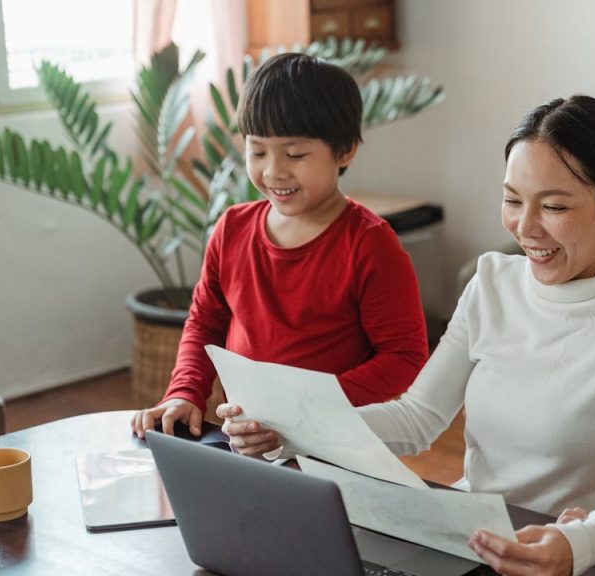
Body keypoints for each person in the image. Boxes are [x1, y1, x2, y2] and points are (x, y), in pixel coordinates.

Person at [217, 94, 595, 576]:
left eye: (554, 206)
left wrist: (581, 543)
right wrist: (290, 430)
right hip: (470, 538)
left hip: (580, 559)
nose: (526, 228)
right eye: (513, 200)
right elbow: (417, 418)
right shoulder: (491, 282)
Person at [131, 53, 429, 442]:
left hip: (332, 442)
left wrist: (304, 412)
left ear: (345, 151)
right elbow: (205, 323)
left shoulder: (370, 244)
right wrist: (185, 392)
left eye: (295, 154)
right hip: (246, 439)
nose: (274, 171)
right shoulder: (232, 229)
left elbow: (403, 359)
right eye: (257, 152)